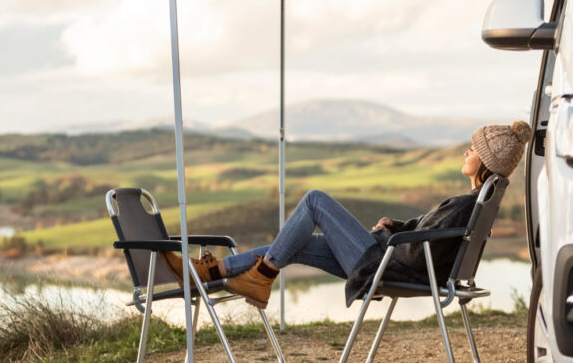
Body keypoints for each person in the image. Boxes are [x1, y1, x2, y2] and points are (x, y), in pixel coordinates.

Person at [162, 121, 532, 309]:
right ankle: (213, 272)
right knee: (297, 241)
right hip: (387, 256)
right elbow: (427, 239)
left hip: (383, 263)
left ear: (485, 161)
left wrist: (389, 238)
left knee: (314, 201)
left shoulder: (465, 204)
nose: (465, 152)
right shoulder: (475, 201)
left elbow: (419, 252)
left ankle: (260, 275)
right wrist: (397, 226)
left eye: (472, 148)